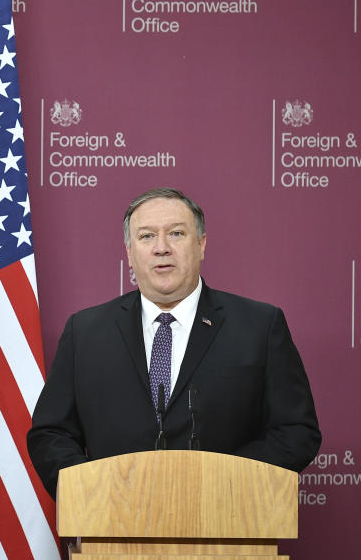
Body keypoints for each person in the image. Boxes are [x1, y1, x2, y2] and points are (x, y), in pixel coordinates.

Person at [27, 187, 321, 500]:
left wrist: (226, 483)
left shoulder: (259, 326)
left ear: (202, 244)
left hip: (225, 522)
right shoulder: (85, 331)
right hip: (114, 525)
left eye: (177, 233)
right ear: (129, 250)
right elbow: (51, 433)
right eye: (146, 236)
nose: (162, 248)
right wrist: (92, 492)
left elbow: (296, 432)